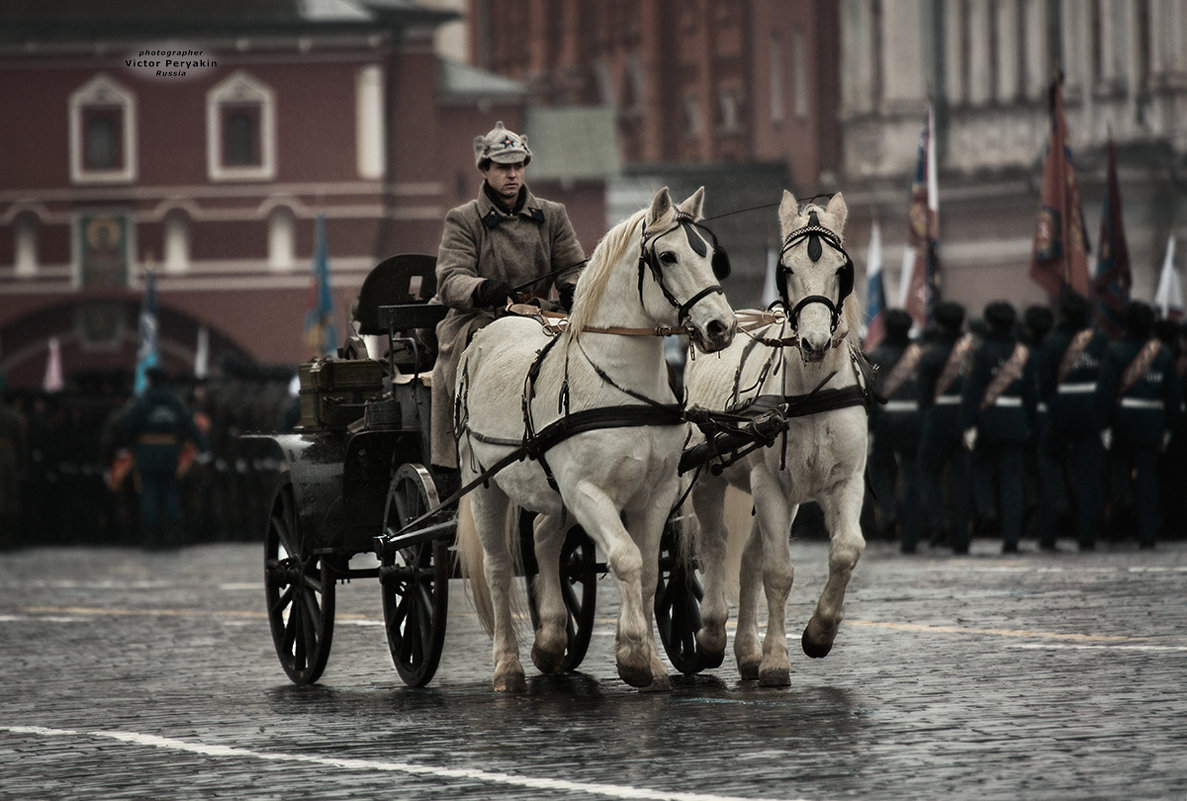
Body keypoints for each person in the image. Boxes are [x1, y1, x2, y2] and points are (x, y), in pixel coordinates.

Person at [429, 121, 586, 476]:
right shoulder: (464, 219)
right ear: (485, 170)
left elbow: (574, 265)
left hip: (540, 317)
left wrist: (573, 287)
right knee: (469, 355)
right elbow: (449, 280)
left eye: (518, 166)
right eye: (503, 167)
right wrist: (483, 288)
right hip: (478, 319)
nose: (512, 175)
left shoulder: (553, 215)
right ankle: (469, 441)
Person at [1097, 301, 1182, 549]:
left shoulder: (1115, 351)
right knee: (1148, 480)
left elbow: (1107, 391)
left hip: (1123, 419)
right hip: (1152, 421)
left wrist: (1104, 424)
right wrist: (1169, 427)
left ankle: (1118, 530)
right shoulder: (1163, 353)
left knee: (1119, 480)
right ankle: (1147, 533)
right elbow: (1173, 395)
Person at [1034, 293, 1110, 550]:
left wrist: (1053, 404)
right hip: (1090, 409)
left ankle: (1049, 534)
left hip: (1060, 409)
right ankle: (1087, 535)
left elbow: (1045, 383)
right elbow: (1107, 379)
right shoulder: (1100, 340)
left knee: (1051, 472)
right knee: (1088, 475)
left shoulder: (1051, 343)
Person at [961, 301, 1037, 553]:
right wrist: (1030, 422)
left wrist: (969, 423)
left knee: (981, 471)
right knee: (1012, 481)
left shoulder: (982, 353)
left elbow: (973, 391)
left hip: (988, 420)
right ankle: (1012, 538)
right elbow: (1030, 394)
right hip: (1016, 420)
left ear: (989, 323)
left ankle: (986, 508)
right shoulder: (1023, 352)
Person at [118, 367, 209, 549]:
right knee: (169, 493)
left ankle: (152, 535)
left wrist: (131, 444)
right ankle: (171, 534)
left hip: (147, 453)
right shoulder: (175, 402)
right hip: (169, 453)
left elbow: (127, 425)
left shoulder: (143, 401)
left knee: (149, 493)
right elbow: (190, 425)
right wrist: (204, 448)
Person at [916, 301, 974, 553]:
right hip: (965, 416)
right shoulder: (972, 351)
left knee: (926, 470)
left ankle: (939, 520)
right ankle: (962, 536)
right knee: (961, 477)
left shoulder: (931, 354)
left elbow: (924, 397)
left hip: (938, 415)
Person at [866, 308, 926, 552]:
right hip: (915, 421)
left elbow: (871, 395)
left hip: (886, 421)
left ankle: (888, 511)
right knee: (912, 475)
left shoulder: (876, 355)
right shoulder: (919, 355)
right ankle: (910, 536)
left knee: (878, 470)